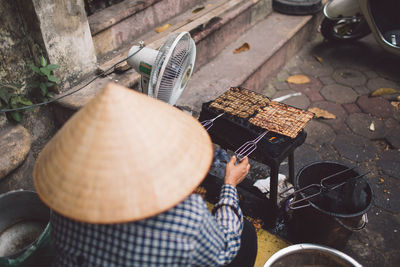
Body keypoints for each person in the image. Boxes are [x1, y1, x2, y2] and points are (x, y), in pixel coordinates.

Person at [33, 83, 257, 266]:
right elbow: (224, 249)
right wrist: (229, 185)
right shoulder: (186, 218)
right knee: (245, 236)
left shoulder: (64, 207)